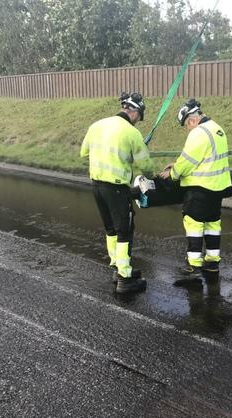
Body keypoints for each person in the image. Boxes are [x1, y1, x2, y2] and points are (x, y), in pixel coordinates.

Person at [80, 92, 154, 293]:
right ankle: (125, 279)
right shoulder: (131, 133)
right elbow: (145, 165)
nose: (138, 121)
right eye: (139, 117)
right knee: (125, 230)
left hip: (97, 186)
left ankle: (119, 268)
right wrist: (152, 175)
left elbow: (83, 152)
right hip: (117, 189)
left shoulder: (96, 126)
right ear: (135, 112)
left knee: (111, 229)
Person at [159, 98, 231, 279]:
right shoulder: (217, 128)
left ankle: (193, 267)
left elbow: (188, 162)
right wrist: (178, 164)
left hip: (200, 188)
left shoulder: (198, 133)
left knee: (194, 224)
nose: (187, 129)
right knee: (212, 224)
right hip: (217, 186)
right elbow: (206, 157)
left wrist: (173, 173)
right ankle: (212, 263)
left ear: (191, 120)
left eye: (186, 125)